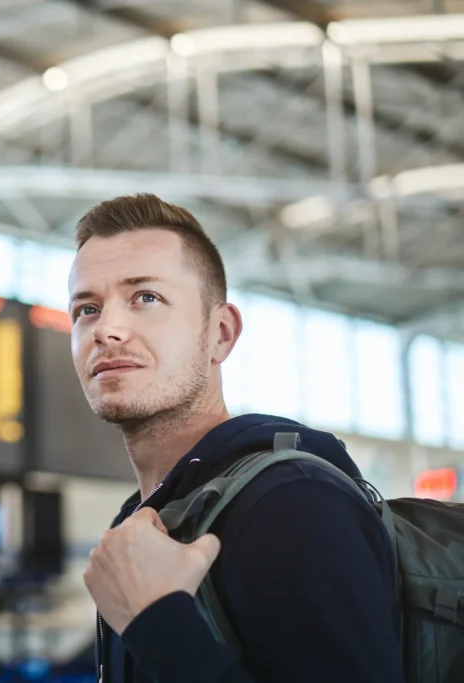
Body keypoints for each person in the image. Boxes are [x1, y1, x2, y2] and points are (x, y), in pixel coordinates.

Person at [71, 194, 402, 682]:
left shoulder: (293, 502)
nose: (106, 329)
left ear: (221, 333)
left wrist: (160, 627)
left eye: (146, 298)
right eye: (87, 309)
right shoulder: (141, 519)